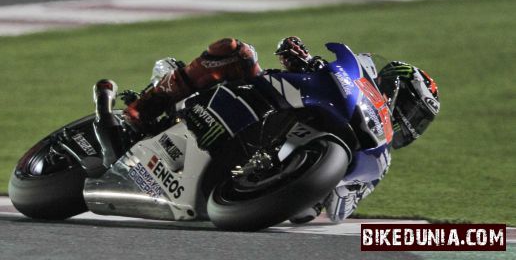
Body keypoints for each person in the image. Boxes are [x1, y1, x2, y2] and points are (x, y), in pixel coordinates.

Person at [122, 36, 440, 224]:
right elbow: (296, 72)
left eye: (420, 119)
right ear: (396, 87)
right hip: (255, 100)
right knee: (236, 50)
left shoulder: (378, 162)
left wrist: (318, 190)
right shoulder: (353, 79)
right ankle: (141, 111)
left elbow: (340, 208)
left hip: (259, 195)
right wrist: (301, 59)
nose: (413, 123)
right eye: (415, 111)